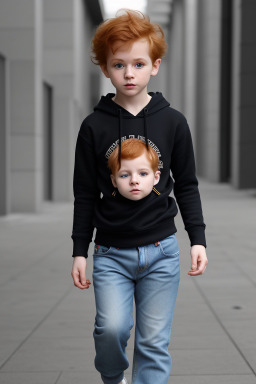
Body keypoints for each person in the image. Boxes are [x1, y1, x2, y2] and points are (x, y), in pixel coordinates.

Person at [71, 9, 208, 384]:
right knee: (111, 331)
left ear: (155, 65)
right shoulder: (93, 126)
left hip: (162, 249)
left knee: (153, 343)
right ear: (105, 69)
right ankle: (114, 377)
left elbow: (188, 184)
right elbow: (84, 193)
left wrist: (197, 239)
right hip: (112, 253)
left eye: (138, 63)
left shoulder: (173, 122)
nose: (129, 73)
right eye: (118, 64)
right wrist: (79, 250)